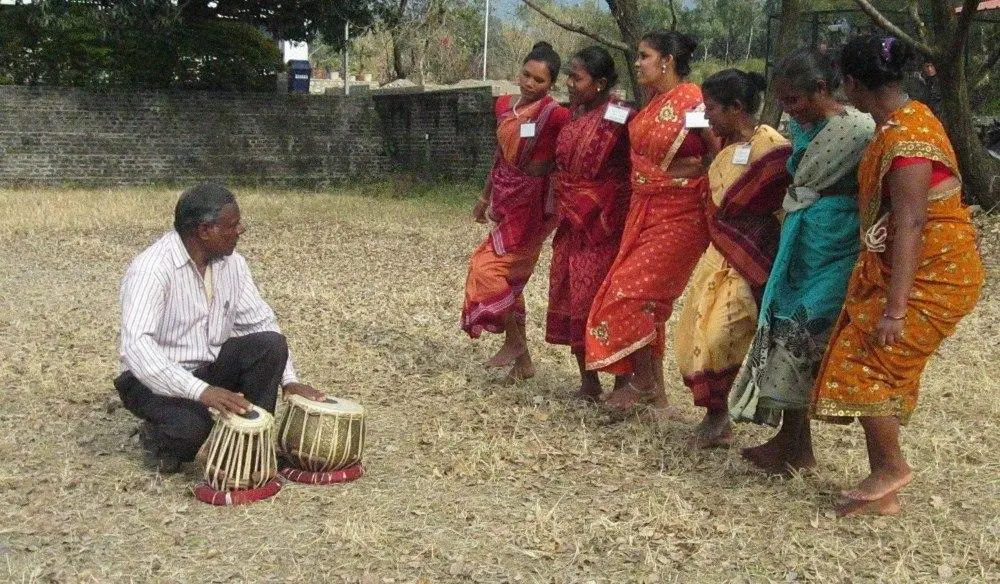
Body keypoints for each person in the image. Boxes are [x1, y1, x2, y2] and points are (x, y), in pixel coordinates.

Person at [813, 35, 984, 517]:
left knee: (865, 364)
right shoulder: (902, 121)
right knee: (866, 361)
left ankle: (890, 469)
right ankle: (883, 491)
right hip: (913, 269)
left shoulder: (908, 139)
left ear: (851, 83)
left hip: (936, 275)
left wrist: (895, 309)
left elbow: (911, 222)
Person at [728, 49, 875, 473]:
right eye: (783, 101)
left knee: (803, 337)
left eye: (794, 100)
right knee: (783, 335)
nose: (789, 110)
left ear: (822, 89)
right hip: (802, 240)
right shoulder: (804, 127)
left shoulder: (858, 129)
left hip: (837, 243)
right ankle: (793, 444)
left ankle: (805, 448)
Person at [115, 183, 326, 472]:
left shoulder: (233, 264)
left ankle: (252, 441)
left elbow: (260, 323)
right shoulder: (151, 269)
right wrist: (202, 392)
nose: (240, 231)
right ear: (204, 230)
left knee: (270, 344)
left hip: (207, 366)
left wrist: (288, 380)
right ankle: (157, 437)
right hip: (148, 379)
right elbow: (137, 348)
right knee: (193, 430)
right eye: (232, 225)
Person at [584, 30, 719, 416]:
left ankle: (642, 382)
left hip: (681, 215)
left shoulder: (693, 101)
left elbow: (721, 151)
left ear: (667, 61)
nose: (638, 62)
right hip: (645, 210)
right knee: (649, 303)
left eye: (644, 55)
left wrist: (692, 174)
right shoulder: (655, 101)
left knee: (629, 293)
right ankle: (657, 396)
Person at [673, 69, 792, 448]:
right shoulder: (724, 148)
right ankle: (717, 418)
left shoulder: (772, 148)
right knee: (695, 333)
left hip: (750, 255)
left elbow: (778, 208)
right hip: (718, 254)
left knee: (721, 335)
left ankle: (722, 417)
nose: (705, 115)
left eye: (711, 108)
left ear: (736, 108)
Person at [461, 42, 571, 382]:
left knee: (486, 268)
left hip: (534, 207)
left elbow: (570, 152)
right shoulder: (504, 106)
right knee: (510, 280)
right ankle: (523, 362)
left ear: (551, 84)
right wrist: (484, 197)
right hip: (506, 198)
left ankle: (514, 342)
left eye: (540, 80)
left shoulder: (555, 115)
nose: (530, 84)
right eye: (526, 75)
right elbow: (500, 155)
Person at [545, 45, 633, 402]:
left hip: (603, 220)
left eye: (576, 78)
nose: (568, 83)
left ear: (599, 82)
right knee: (569, 292)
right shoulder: (573, 114)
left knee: (602, 298)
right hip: (571, 219)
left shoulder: (619, 116)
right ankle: (588, 379)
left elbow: (633, 163)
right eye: (569, 76)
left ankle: (623, 382)